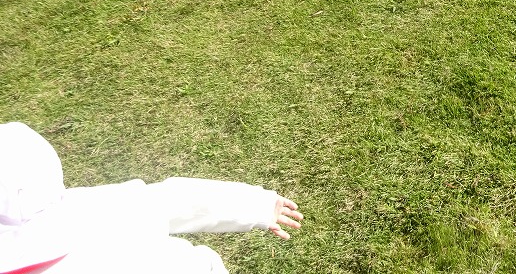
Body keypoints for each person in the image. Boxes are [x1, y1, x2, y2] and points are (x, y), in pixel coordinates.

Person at [0, 121, 302, 274]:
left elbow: (168, 200)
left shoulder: (81, 211)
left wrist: (256, 205)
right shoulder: (80, 213)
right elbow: (168, 200)